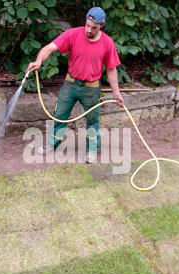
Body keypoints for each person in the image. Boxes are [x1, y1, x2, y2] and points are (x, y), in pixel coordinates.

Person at [26, 7, 124, 163]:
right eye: (88, 25)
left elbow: (111, 69)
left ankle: (92, 150)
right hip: (70, 84)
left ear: (102, 26)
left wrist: (116, 93)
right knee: (59, 115)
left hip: (91, 88)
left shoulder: (107, 42)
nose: (89, 30)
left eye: (94, 28)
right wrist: (38, 61)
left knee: (93, 120)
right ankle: (52, 144)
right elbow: (50, 47)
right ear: (85, 21)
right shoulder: (73, 34)